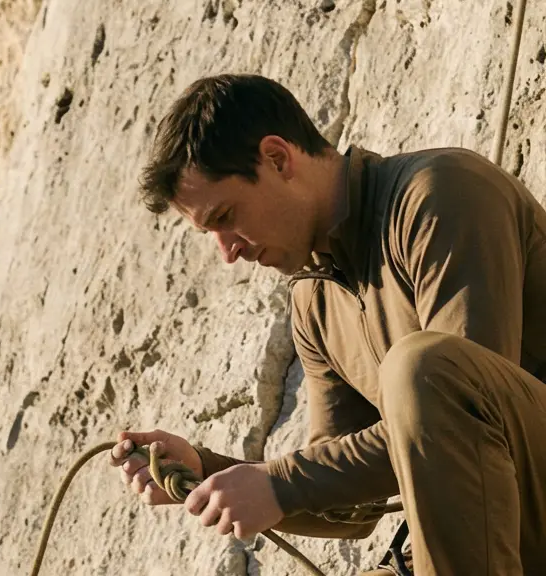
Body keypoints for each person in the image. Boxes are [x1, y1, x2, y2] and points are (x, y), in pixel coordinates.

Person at [109, 73, 546, 575]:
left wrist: (280, 483)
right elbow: (344, 503)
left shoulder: (439, 194)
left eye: (226, 215)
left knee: (422, 366)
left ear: (277, 158)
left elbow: (462, 410)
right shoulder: (312, 303)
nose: (227, 251)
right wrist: (209, 471)